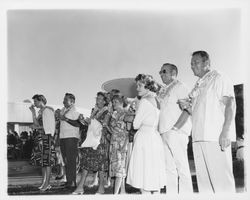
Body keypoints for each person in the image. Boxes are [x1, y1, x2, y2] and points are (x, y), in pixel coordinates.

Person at [178, 51, 236, 193]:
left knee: (222, 184)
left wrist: (226, 131)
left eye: (196, 62)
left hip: (214, 138)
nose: (192, 66)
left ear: (207, 63)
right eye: (191, 64)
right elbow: (199, 112)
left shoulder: (219, 77)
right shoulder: (198, 84)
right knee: (205, 187)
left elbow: (230, 104)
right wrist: (187, 107)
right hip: (198, 138)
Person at [126, 74, 166, 194]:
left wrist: (133, 115)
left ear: (148, 86)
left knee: (142, 174)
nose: (137, 88)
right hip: (155, 137)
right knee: (153, 172)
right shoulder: (157, 100)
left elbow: (136, 125)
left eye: (140, 85)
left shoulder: (144, 101)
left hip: (144, 137)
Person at [157, 63, 193, 193]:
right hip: (163, 132)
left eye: (164, 71)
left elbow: (188, 109)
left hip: (176, 132)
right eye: (160, 72)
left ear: (173, 73)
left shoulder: (180, 86)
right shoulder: (163, 91)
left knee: (181, 167)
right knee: (169, 168)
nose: (161, 74)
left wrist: (176, 129)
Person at [70, 92, 110, 194]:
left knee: (100, 164)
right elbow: (91, 124)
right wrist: (83, 120)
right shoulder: (95, 111)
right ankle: (81, 187)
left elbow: (103, 126)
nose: (97, 100)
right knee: (87, 162)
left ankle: (100, 187)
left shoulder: (107, 112)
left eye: (100, 98)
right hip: (91, 139)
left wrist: (92, 121)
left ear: (105, 101)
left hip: (100, 141)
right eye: (97, 98)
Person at [29, 94, 56, 191]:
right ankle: (44, 182)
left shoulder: (47, 110)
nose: (34, 103)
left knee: (47, 162)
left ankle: (47, 183)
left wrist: (36, 127)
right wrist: (33, 112)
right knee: (43, 162)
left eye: (35, 101)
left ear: (41, 101)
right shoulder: (42, 112)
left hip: (46, 138)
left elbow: (49, 128)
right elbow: (37, 123)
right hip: (41, 138)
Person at [107, 94, 129, 194]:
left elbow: (128, 130)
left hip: (122, 142)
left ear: (121, 102)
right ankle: (123, 191)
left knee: (119, 167)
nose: (113, 104)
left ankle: (115, 194)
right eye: (113, 102)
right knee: (118, 166)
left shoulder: (125, 112)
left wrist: (125, 144)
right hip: (114, 141)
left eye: (116, 102)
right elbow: (112, 129)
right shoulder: (114, 114)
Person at [59, 93, 80, 189]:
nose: (63, 101)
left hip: (71, 138)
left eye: (66, 99)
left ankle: (73, 182)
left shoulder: (75, 110)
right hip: (63, 137)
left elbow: (78, 124)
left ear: (72, 102)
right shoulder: (63, 110)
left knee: (71, 160)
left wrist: (66, 119)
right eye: (63, 99)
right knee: (66, 160)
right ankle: (69, 181)